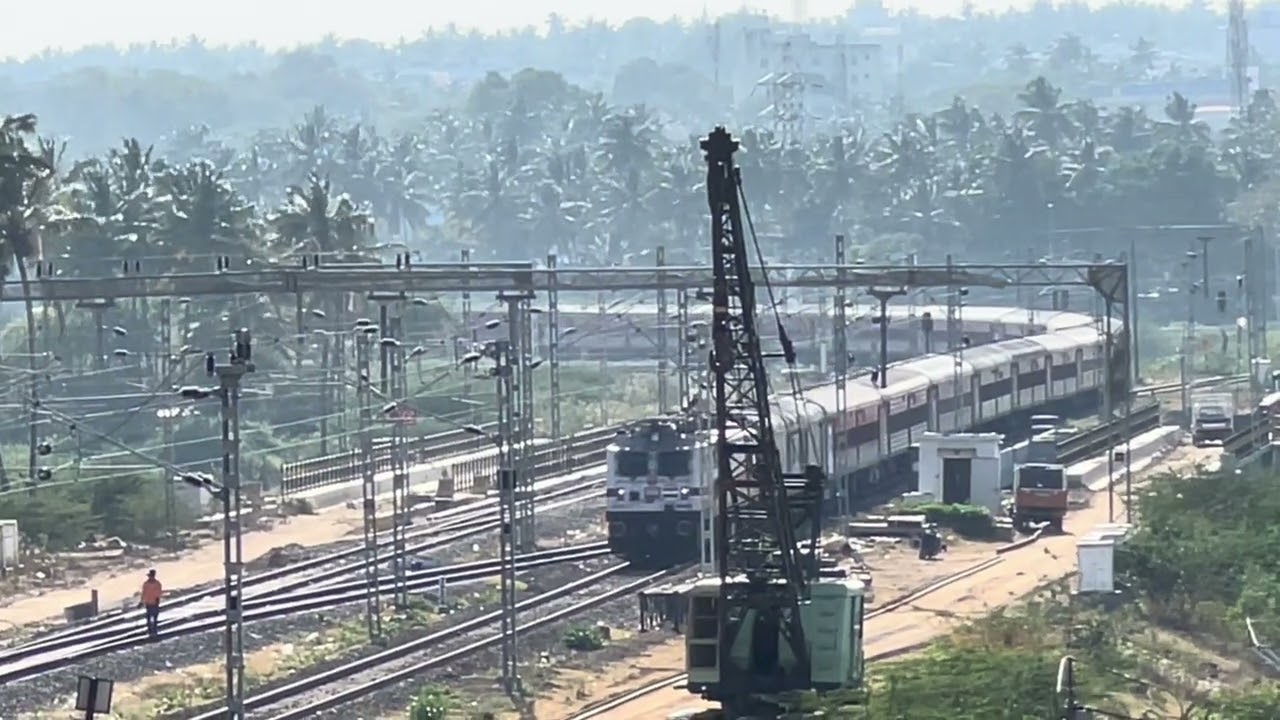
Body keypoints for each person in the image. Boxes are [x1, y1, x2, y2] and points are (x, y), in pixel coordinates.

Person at [141, 569, 163, 638]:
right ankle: (150, 632)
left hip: (154, 603)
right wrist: (142, 601)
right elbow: (143, 593)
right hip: (149, 603)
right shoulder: (147, 584)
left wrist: (157, 599)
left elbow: (159, 593)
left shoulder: (157, 584)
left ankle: (154, 631)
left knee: (154, 618)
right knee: (149, 618)